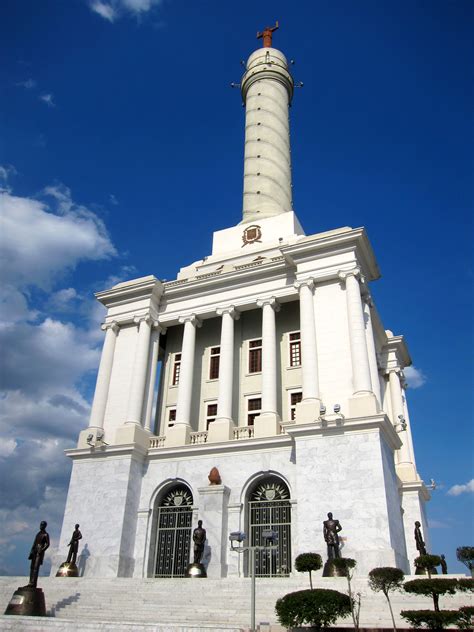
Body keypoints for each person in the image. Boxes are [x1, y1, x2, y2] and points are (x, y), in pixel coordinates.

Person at [28, 521, 50, 588]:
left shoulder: (46, 534)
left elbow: (48, 544)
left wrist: (42, 550)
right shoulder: (38, 534)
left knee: (36, 568)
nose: (41, 526)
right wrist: (31, 552)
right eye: (40, 524)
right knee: (32, 567)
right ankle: (30, 582)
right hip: (35, 551)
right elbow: (34, 543)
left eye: (42, 525)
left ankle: (33, 583)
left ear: (45, 526)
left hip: (39, 551)